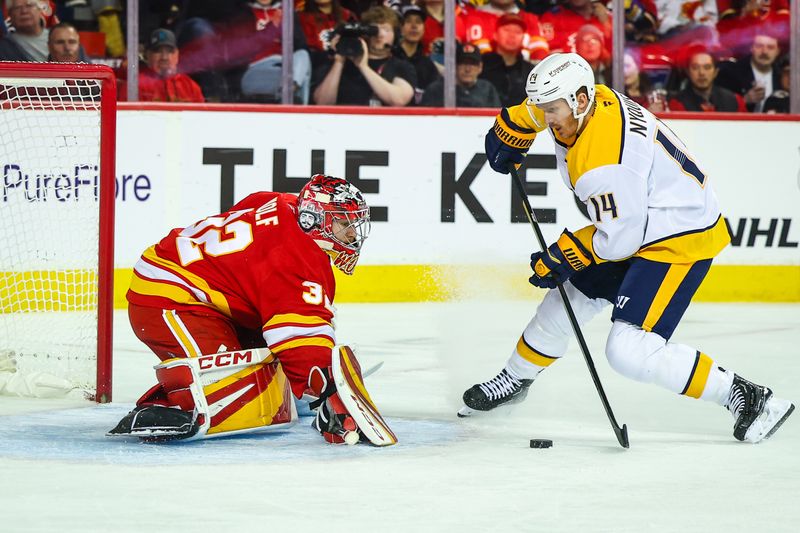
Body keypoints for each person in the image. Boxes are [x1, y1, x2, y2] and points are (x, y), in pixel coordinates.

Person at [462, 52, 794, 444]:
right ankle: (516, 378)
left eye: (551, 110)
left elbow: (620, 240)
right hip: (642, 216)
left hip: (678, 235)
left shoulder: (604, 162)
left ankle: (749, 397)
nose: (546, 117)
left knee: (629, 350)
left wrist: (565, 254)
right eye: (543, 108)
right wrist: (515, 124)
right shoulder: (586, 100)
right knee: (566, 300)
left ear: (580, 101)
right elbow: (539, 112)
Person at [108, 175, 396, 446]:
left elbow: (250, 205)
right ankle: (167, 407)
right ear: (314, 220)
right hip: (169, 296)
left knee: (265, 371)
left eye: (352, 223)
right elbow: (298, 335)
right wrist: (326, 389)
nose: (350, 234)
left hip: (213, 297)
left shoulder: (284, 204)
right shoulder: (298, 257)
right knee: (237, 399)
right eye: (341, 222)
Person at [313, 5, 416, 106]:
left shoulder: (402, 66)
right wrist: (339, 61)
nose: (379, 34)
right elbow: (322, 103)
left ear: (396, 36)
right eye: (374, 29)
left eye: (386, 29)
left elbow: (399, 100)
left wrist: (363, 67)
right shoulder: (340, 64)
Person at [119, 28, 205, 103]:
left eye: (170, 51)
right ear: (148, 55)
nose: (164, 57)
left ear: (177, 55)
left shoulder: (191, 87)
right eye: (158, 51)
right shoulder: (134, 86)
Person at [716, 34, 782, 113]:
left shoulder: (782, 76)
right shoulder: (731, 73)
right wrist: (744, 100)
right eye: (759, 46)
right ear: (751, 48)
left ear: (777, 51)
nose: (764, 52)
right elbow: (720, 108)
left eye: (770, 47)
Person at [421, 42, 501, 107]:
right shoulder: (437, 90)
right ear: (454, 66)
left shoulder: (488, 89)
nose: (467, 69)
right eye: (463, 63)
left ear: (480, 67)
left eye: (472, 64)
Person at [479, 13, 534, 107]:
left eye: (517, 32)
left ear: (523, 38)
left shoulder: (530, 71)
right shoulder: (481, 65)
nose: (512, 35)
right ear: (495, 35)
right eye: (507, 30)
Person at [668, 50, 745, 112]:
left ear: (715, 72)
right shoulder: (677, 103)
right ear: (688, 72)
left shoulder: (734, 101)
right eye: (695, 67)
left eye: (707, 67)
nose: (701, 73)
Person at [394, 4, 440, 103]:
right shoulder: (390, 58)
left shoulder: (428, 66)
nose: (414, 26)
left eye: (418, 22)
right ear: (400, 28)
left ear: (423, 30)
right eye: (408, 21)